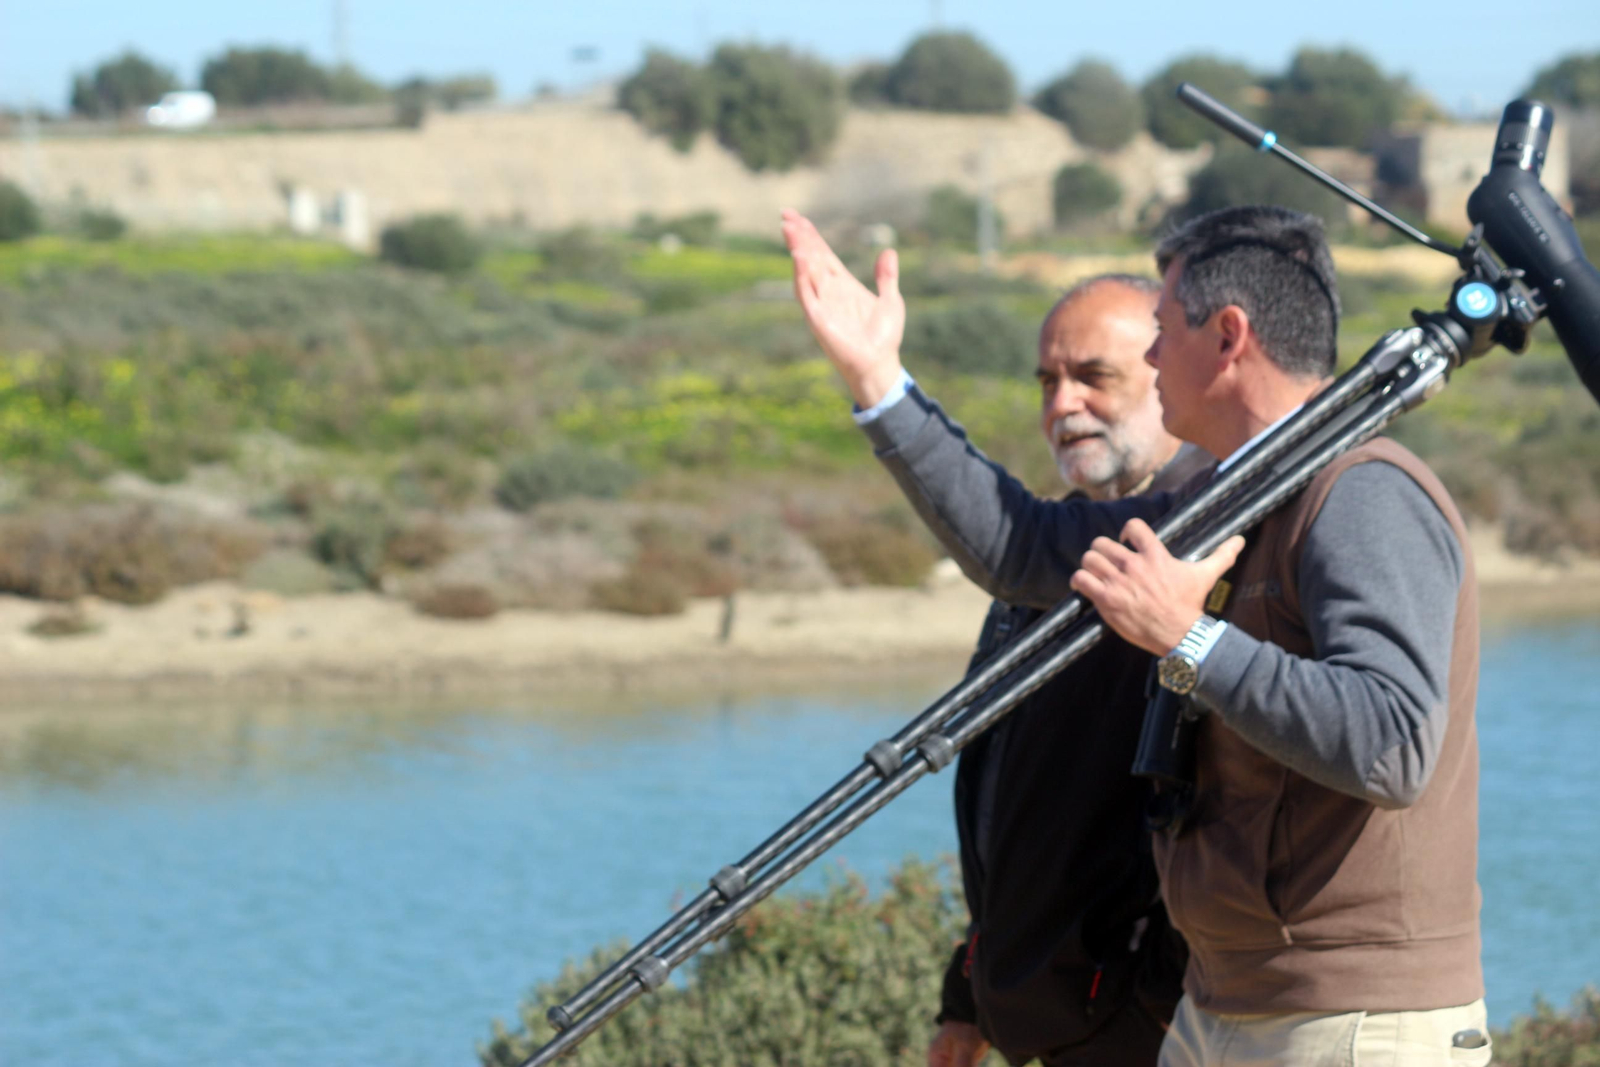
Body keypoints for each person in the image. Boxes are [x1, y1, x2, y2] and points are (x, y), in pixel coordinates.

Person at [784, 204, 1488, 1067]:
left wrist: (1187, 638)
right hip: (1225, 1007)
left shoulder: (1363, 492)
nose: (1154, 357)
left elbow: (1392, 745)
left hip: (1350, 1019)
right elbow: (1022, 547)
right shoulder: (1218, 501)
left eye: (1162, 329)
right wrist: (878, 381)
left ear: (1227, 336)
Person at [929, 276, 1208, 1067]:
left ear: (1170, 374)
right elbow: (1015, 796)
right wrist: (970, 993)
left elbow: (1225, 812)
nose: (1063, 404)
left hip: (1149, 1030)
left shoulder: (1203, 555)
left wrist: (1147, 1005)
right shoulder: (1049, 559)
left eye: (1094, 376)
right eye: (1048, 381)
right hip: (1058, 1021)